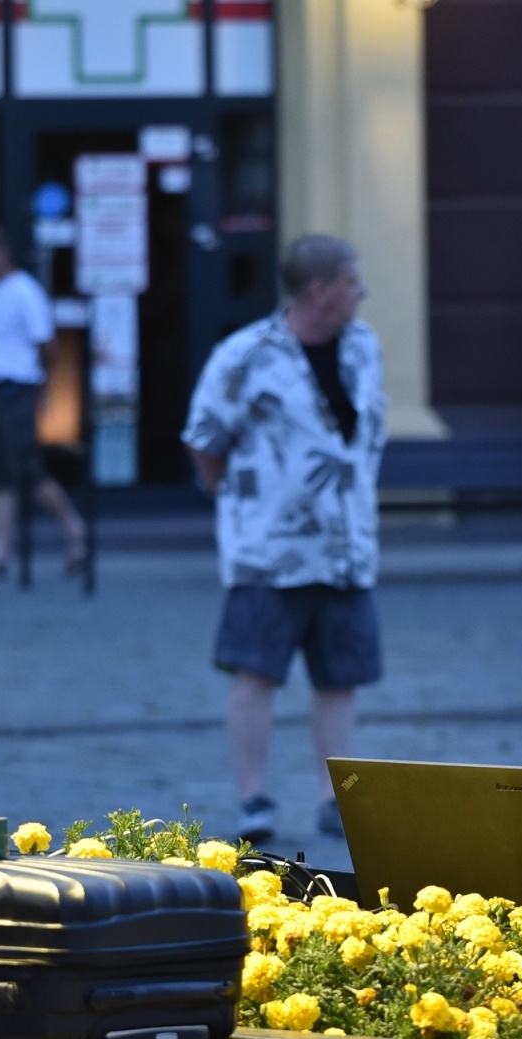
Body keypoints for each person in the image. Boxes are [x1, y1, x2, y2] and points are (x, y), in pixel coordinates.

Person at [182, 234, 386, 844]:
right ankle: (253, 800)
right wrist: (240, 500)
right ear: (319, 292)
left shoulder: (362, 345)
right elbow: (203, 438)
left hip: (347, 548)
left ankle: (333, 799)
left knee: (338, 678)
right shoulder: (243, 356)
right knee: (255, 676)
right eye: (353, 282)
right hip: (270, 552)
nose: (363, 293)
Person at [0, 224, 88, 579]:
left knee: (27, 472)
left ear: (3, 251)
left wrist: (45, 388)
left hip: (17, 390)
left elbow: (47, 346)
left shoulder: (24, 291)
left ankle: (75, 530)